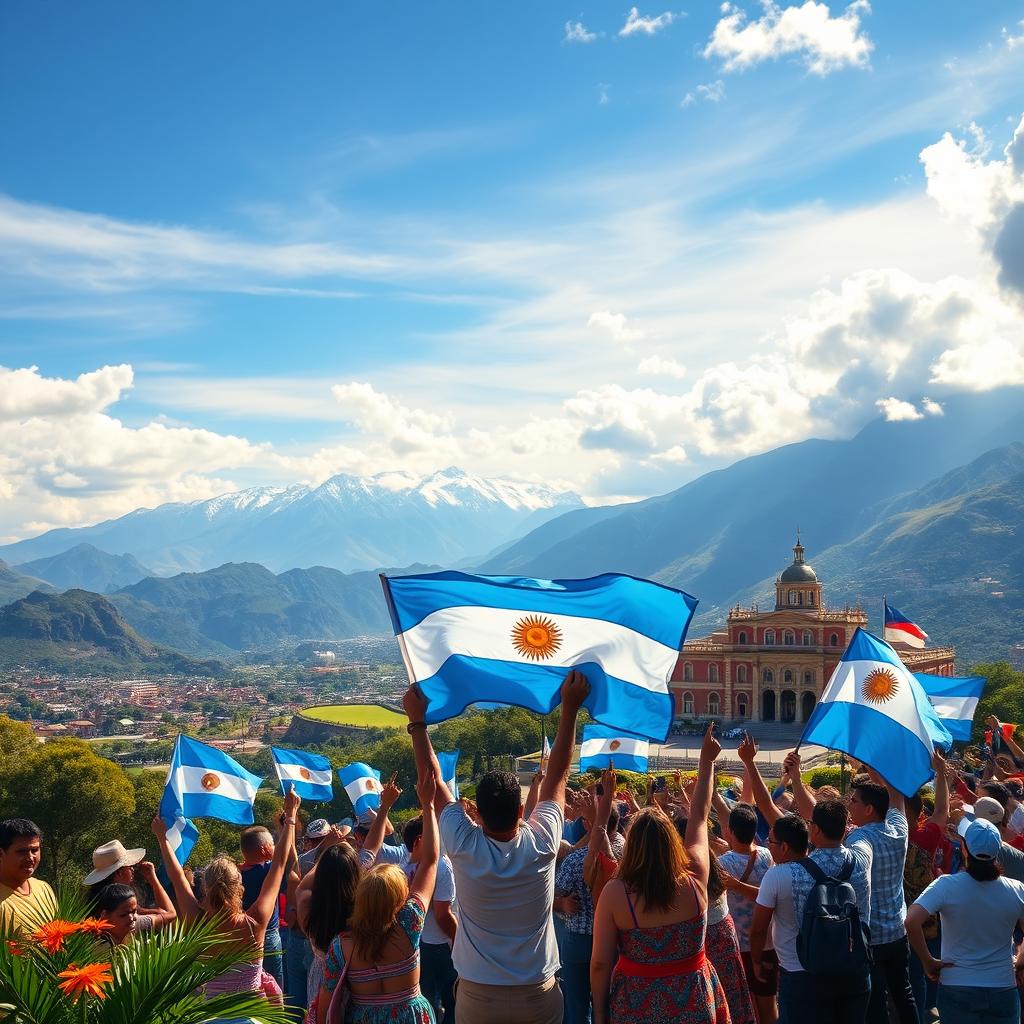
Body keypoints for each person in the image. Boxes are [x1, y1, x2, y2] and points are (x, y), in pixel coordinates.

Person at [402, 672, 588, 1024]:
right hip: (538, 993)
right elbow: (558, 776)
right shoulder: (543, 840)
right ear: (521, 811)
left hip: (478, 996)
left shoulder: (463, 842)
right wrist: (570, 709)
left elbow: (434, 780)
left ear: (477, 814)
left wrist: (417, 722)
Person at [590, 723, 731, 1024]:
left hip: (635, 1005)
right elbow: (700, 815)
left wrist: (600, 1015)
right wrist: (707, 761)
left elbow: (601, 964)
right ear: (671, 842)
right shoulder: (695, 878)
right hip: (693, 1001)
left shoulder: (616, 894)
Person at [317, 767, 440, 1024]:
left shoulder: (341, 946)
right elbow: (430, 861)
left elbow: (324, 1010)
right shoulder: (409, 925)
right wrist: (428, 805)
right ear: (399, 899)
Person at [153, 786, 300, 999]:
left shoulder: (197, 923)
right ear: (239, 887)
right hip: (251, 1016)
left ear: (205, 888)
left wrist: (162, 839)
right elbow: (278, 865)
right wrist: (291, 817)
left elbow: (177, 877)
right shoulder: (254, 923)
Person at [749, 802, 872, 1024]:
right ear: (845, 829)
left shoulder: (780, 875)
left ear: (814, 830)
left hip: (802, 975)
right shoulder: (863, 859)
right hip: (854, 968)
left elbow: (758, 929)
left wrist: (756, 961)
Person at [906, 818, 1024, 1024]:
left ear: (964, 848)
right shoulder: (1017, 889)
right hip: (1002, 986)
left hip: (956, 985)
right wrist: (1020, 962)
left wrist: (928, 960)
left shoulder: (946, 885)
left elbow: (911, 921)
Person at [846, 773, 917, 1024]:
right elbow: (896, 797)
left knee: (875, 1002)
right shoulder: (899, 829)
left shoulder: (859, 838)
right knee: (903, 993)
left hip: (872, 937)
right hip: (898, 930)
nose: (849, 804)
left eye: (853, 800)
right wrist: (882, 772)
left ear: (869, 809)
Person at [554, 797, 623, 1024]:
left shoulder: (575, 860)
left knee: (576, 1005)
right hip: (612, 942)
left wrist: (562, 904)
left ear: (586, 825)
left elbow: (550, 896)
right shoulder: (625, 857)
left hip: (577, 942)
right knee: (607, 1005)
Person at [718, 802, 777, 1024]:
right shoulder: (768, 855)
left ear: (730, 831)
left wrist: (735, 885)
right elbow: (769, 895)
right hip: (767, 942)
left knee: (743, 1007)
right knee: (768, 1003)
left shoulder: (722, 863)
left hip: (739, 945)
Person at [295, 835, 361, 1021]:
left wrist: (327, 854)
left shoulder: (309, 910)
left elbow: (301, 888)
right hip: (356, 979)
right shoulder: (363, 910)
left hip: (322, 980)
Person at [239, 823, 289, 990]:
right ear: (264, 849)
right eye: (272, 845)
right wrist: (290, 821)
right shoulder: (266, 870)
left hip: (241, 936)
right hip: (267, 937)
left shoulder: (236, 875)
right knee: (273, 984)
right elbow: (283, 859)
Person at [0, 818, 57, 935]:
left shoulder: (44, 889)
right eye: (22, 852)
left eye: (34, 850)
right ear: (1, 854)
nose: (30, 858)